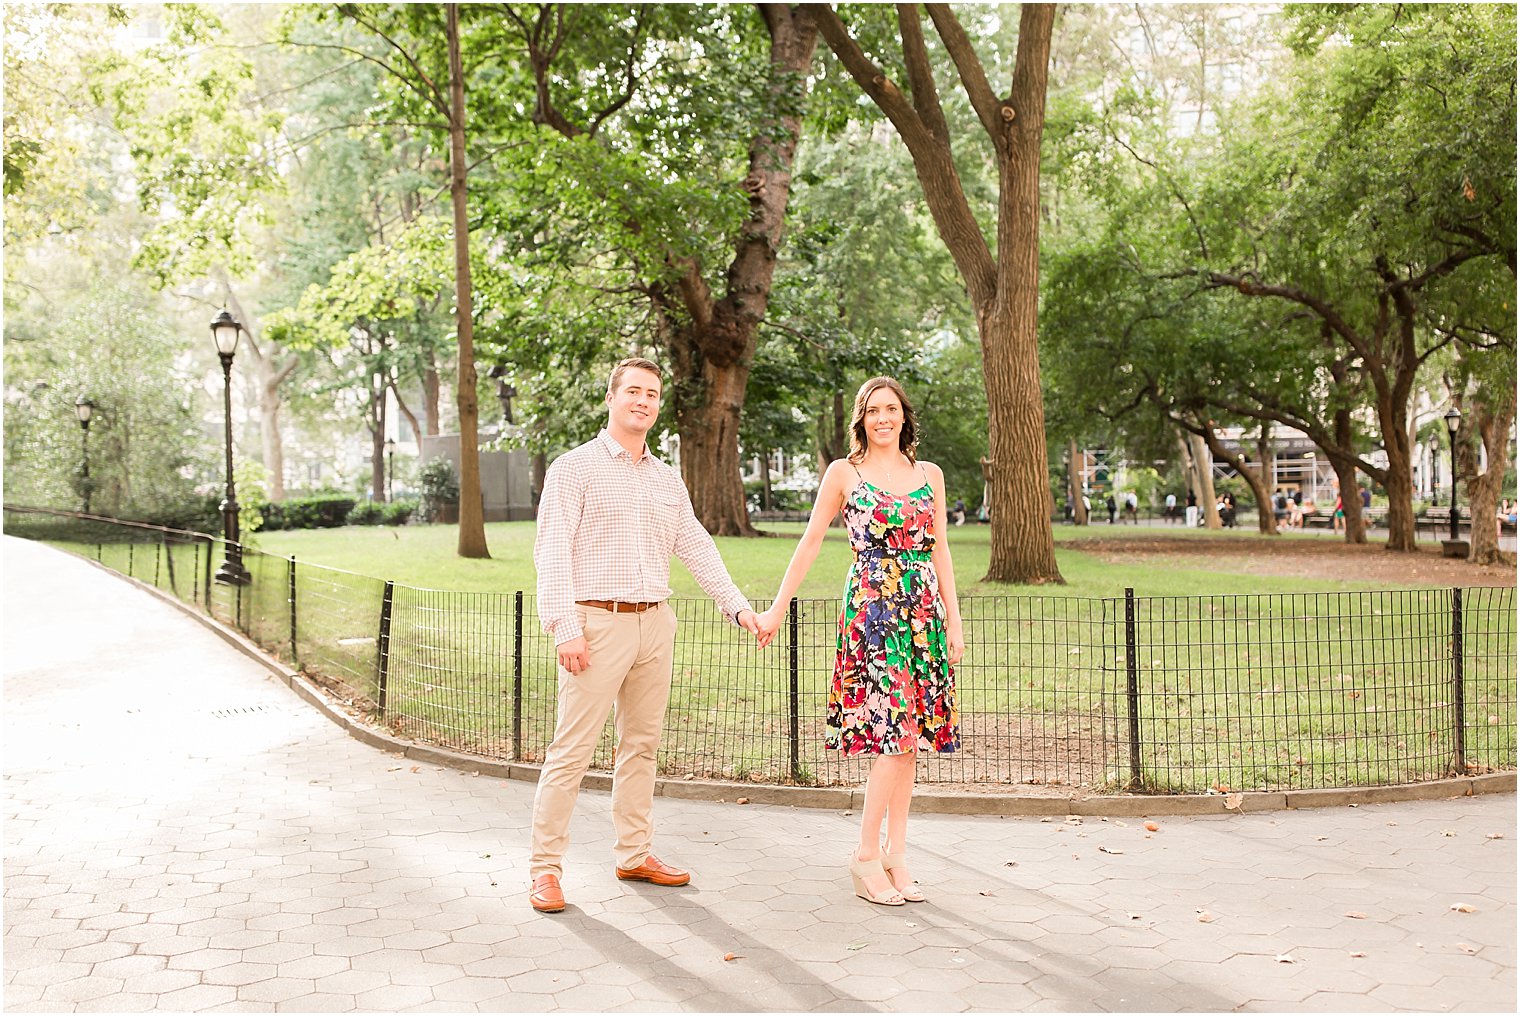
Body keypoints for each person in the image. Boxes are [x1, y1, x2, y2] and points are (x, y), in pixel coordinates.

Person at [528, 357, 763, 914]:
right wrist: (565, 627)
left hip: (655, 624)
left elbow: (696, 545)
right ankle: (544, 869)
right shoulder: (573, 469)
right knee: (572, 751)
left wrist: (736, 607)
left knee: (641, 746)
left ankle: (634, 852)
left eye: (653, 394)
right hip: (595, 623)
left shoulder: (665, 477)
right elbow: (552, 551)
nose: (643, 401)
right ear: (611, 398)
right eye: (633, 390)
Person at [754, 376, 962, 907]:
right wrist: (777, 608)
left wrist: (954, 623)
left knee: (911, 741)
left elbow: (941, 554)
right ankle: (865, 856)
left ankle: (896, 854)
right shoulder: (844, 473)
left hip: (922, 614)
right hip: (873, 612)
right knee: (892, 740)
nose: (883, 418)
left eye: (891, 409)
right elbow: (809, 542)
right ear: (861, 419)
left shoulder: (929, 475)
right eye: (873, 410)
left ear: (904, 416)